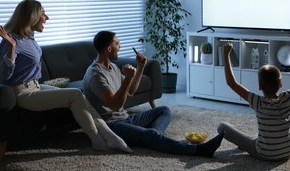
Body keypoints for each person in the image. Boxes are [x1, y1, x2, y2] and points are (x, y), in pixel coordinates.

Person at [0, 0, 132, 153]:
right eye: (43, 14)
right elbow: (5, 76)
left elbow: (25, 25)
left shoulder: (28, 36)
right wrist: (11, 50)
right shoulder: (11, 42)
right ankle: (98, 139)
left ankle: (109, 136)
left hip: (35, 86)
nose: (47, 18)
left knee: (80, 95)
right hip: (22, 94)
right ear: (32, 17)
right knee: (74, 94)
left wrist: (31, 3)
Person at [82, 30, 224, 157]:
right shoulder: (96, 75)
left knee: (164, 111)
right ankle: (198, 150)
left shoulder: (112, 67)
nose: (120, 47)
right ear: (109, 48)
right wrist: (129, 77)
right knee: (150, 135)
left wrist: (140, 67)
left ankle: (153, 138)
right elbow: (115, 105)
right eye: (117, 44)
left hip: (126, 119)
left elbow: (130, 91)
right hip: (111, 126)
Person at [217, 39, 290, 161]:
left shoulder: (258, 102)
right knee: (256, 136)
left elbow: (231, 83)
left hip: (264, 153)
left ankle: (250, 144)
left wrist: (226, 54)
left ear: (260, 87)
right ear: (280, 84)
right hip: (287, 152)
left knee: (222, 127)